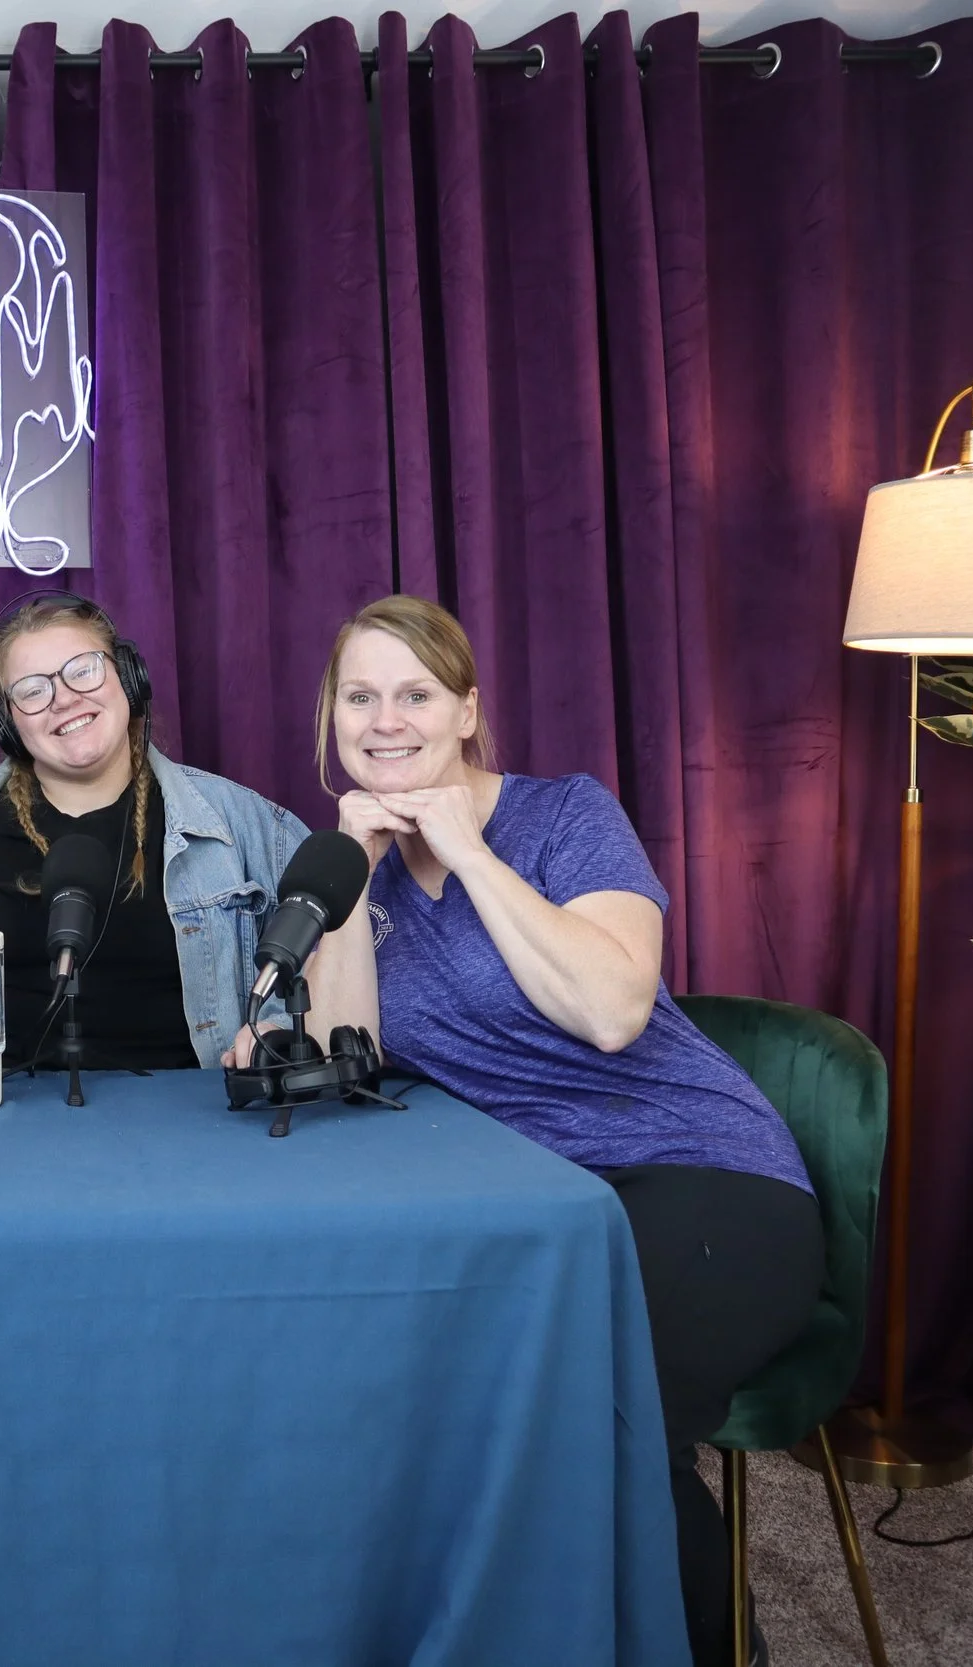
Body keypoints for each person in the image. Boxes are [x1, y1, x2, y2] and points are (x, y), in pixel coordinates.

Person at [302, 595, 820, 1667]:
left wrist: (471, 851)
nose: (385, 719)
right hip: (542, 1209)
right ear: (332, 717)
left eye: (415, 694)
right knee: (440, 1404)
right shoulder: (364, 868)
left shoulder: (562, 815)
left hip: (703, 1181)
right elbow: (345, 1055)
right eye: (361, 695)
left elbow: (611, 1008)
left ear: (465, 712)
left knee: (598, 1421)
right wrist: (351, 877)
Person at [0, 593, 309, 1075]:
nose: (64, 699)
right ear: (8, 723)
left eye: (83, 670)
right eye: (33, 691)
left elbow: (328, 957)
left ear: (129, 678)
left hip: (182, 1124)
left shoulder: (241, 824)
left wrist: (272, 1027)